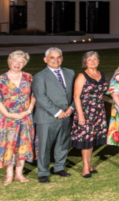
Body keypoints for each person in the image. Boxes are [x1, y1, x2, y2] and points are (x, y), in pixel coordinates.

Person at [0, 50, 35, 185]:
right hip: (7, 118)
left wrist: (29, 110)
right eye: (16, 61)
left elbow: (34, 95)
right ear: (10, 61)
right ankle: (9, 175)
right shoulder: (0, 79)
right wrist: (8, 114)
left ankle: (19, 174)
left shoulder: (28, 77)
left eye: (21, 62)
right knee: (9, 145)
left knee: (22, 144)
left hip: (24, 116)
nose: (18, 64)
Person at [33, 47, 75, 183]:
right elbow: (40, 96)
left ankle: (59, 167)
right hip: (47, 117)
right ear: (45, 59)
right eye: (52, 57)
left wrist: (71, 108)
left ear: (62, 58)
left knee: (62, 143)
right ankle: (43, 172)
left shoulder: (70, 73)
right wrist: (57, 112)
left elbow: (76, 93)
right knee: (45, 145)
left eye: (58, 57)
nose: (56, 60)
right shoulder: (40, 76)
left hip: (66, 115)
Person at [70, 51, 107, 178]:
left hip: (98, 111)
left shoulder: (101, 74)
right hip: (86, 111)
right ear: (85, 62)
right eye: (89, 59)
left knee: (92, 139)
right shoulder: (82, 76)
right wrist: (80, 114)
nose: (92, 61)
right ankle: (85, 167)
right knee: (86, 139)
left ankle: (90, 164)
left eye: (95, 59)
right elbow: (76, 96)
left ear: (98, 61)